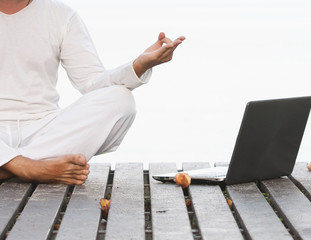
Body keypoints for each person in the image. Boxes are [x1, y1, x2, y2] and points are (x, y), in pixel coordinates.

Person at [0, 0, 185, 185]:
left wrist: (139, 65)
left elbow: (92, 83)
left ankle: (12, 167)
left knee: (121, 99)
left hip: (43, 129)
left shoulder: (61, 15)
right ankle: (29, 167)